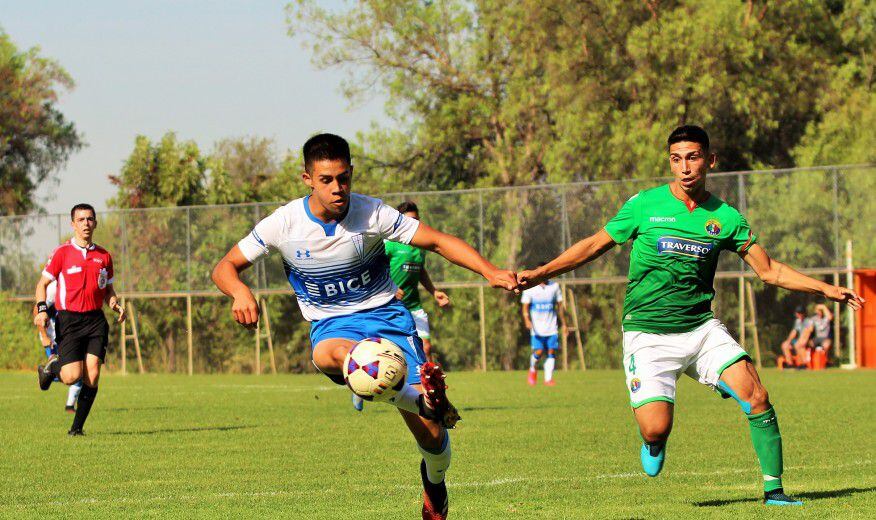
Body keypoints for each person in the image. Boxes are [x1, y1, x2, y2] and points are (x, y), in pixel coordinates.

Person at [517, 125, 864, 506]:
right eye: (676, 159)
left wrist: (827, 289)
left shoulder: (726, 218)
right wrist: (540, 273)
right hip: (647, 334)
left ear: (709, 161)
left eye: (693, 157)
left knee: (758, 395)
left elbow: (770, 271)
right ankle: (653, 443)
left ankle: (774, 491)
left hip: (700, 329)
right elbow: (594, 245)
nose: (685, 167)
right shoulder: (644, 205)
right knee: (655, 428)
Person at [211, 133, 516, 519]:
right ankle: (422, 399)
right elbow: (224, 267)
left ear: (351, 173)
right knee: (330, 356)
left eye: (344, 178)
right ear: (307, 179)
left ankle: (434, 488)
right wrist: (239, 292)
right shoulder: (283, 223)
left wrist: (489, 270)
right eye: (326, 180)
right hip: (332, 326)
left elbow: (436, 241)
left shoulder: (373, 213)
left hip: (388, 319)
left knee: (434, 437)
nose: (337, 188)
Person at [35, 203, 126, 435]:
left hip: (96, 320)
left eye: (90, 219)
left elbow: (108, 289)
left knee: (92, 374)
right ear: (73, 224)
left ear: (95, 223)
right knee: (71, 376)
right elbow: (42, 284)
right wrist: (42, 309)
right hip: (70, 321)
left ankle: (76, 429)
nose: (86, 223)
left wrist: (115, 303)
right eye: (81, 219)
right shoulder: (62, 253)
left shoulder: (104, 256)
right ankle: (52, 367)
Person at [352, 201, 452, 412]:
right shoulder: (388, 244)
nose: (414, 223)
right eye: (410, 220)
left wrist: (434, 292)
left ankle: (432, 395)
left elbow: (421, 271)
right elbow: (372, 268)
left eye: (417, 219)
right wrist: (391, 286)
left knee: (426, 348)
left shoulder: (419, 247)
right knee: (375, 353)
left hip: (414, 305)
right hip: (388, 306)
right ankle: (359, 386)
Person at [33, 279, 82, 412]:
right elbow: (37, 310)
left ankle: (69, 405)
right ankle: (46, 374)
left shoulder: (77, 284)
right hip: (52, 336)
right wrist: (44, 336)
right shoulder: (54, 288)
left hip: (68, 334)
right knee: (67, 371)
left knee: (78, 373)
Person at [520, 263, 566, 386]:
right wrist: (527, 320)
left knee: (551, 352)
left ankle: (548, 379)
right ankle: (532, 369)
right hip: (537, 329)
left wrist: (564, 324)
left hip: (552, 328)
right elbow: (525, 307)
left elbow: (560, 307)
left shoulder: (554, 287)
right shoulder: (530, 288)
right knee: (539, 352)